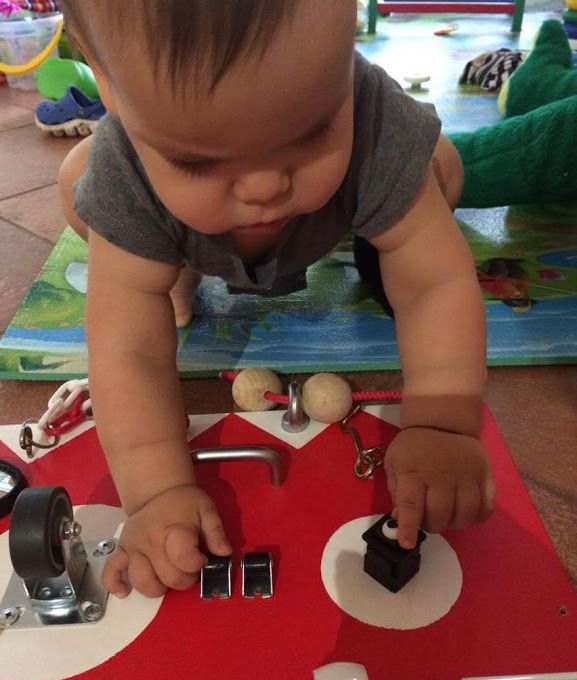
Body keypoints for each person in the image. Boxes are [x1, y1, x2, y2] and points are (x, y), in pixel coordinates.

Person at [57, 0, 494, 599]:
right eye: (195, 160)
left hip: (329, 221)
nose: (266, 187)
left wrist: (445, 425)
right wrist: (155, 491)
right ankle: (167, 264)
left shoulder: (376, 117)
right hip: (176, 232)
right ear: (103, 80)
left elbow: (435, 283)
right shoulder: (126, 168)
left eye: (313, 130)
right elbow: (125, 346)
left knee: (441, 167)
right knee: (79, 188)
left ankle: (380, 238)